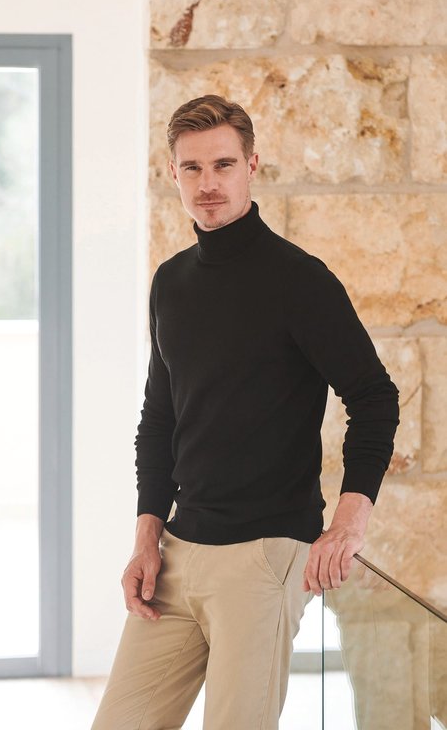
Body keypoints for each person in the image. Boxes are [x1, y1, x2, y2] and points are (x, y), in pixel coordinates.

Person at [90, 94, 400, 729]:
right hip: (178, 552)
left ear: (251, 166)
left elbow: (374, 398)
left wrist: (348, 525)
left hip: (263, 557)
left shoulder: (299, 280)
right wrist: (147, 538)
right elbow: (160, 418)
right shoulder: (171, 282)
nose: (208, 183)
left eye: (223, 165)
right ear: (172, 173)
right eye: (192, 168)